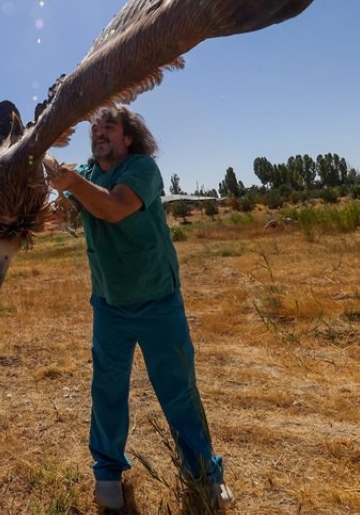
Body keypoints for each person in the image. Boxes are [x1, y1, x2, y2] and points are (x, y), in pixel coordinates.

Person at [49, 105, 231, 511]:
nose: (98, 132)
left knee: (178, 391)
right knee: (107, 391)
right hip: (109, 304)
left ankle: (204, 476)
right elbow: (66, 211)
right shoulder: (87, 174)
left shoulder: (142, 169)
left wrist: (71, 182)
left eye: (109, 127)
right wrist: (46, 174)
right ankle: (107, 475)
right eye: (94, 128)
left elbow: (113, 208)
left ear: (128, 137)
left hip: (157, 300)